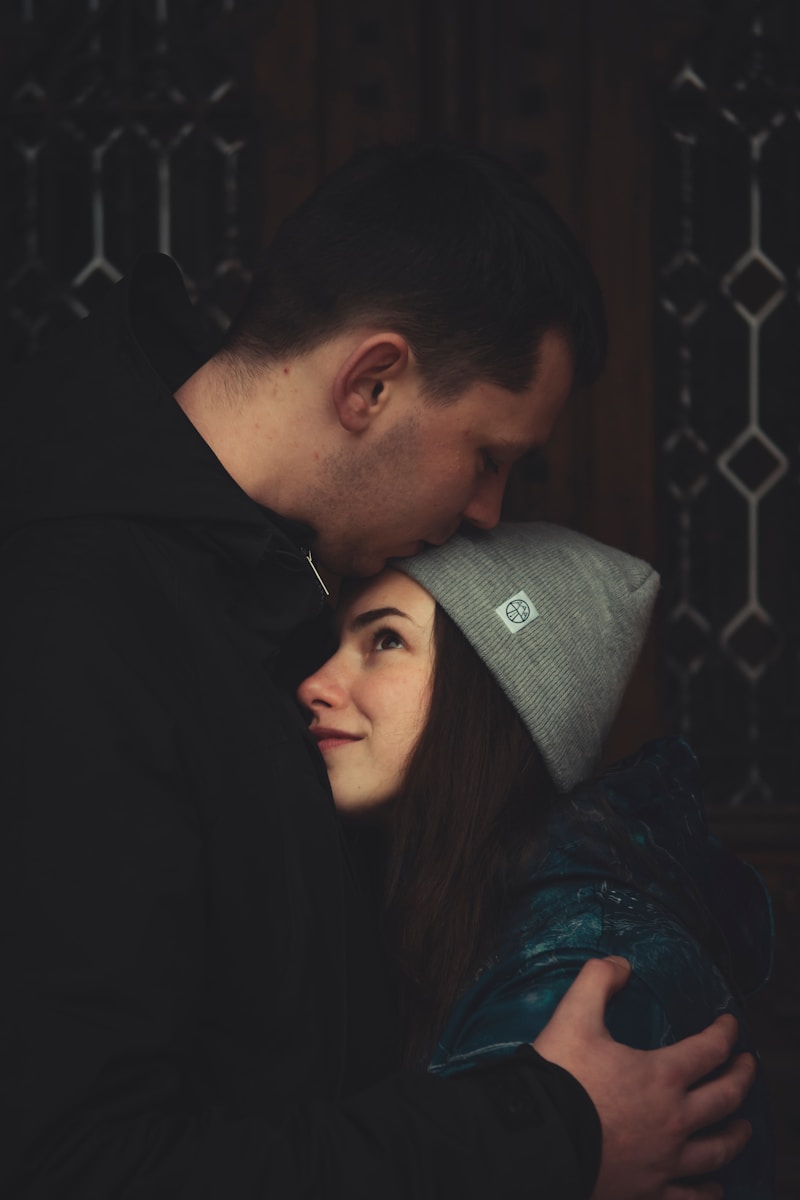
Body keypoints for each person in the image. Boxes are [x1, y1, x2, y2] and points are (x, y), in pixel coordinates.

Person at [0, 141, 754, 1199]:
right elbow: (75, 1167)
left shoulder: (278, 577)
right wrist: (546, 1138)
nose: (489, 513)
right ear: (372, 382)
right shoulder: (69, 626)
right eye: (486, 455)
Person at [297, 520, 774, 1197]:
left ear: (492, 696)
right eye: (336, 644)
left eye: (385, 640)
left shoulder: (585, 978)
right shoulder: (451, 911)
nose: (316, 683)